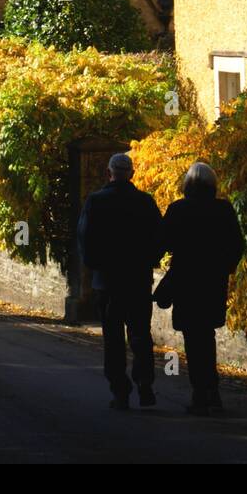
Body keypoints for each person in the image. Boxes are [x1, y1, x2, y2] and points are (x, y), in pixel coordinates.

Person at [77, 152, 165, 410]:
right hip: (137, 280)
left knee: (113, 339)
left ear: (109, 173)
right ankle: (145, 384)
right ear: (132, 174)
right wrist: (148, 260)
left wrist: (96, 266)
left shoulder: (95, 202)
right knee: (140, 335)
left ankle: (120, 391)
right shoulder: (145, 203)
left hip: (107, 282)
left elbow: (85, 239)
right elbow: (160, 238)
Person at [162, 161, 243, 416]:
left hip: (186, 281)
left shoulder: (178, 209)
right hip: (212, 282)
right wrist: (225, 267)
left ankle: (200, 392)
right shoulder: (223, 209)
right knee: (207, 335)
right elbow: (236, 244)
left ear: (188, 183)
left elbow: (163, 241)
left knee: (192, 338)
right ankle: (212, 392)